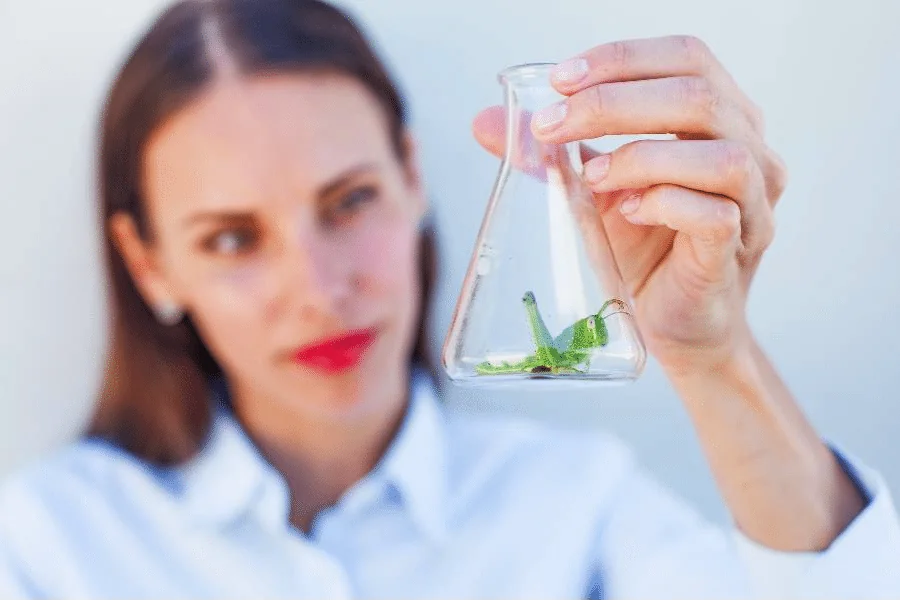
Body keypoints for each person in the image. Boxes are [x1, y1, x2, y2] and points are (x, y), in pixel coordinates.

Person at [1, 0, 897, 598]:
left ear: (412, 175)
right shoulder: (45, 546)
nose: (320, 290)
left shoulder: (574, 506)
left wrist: (714, 356)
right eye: (232, 239)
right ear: (148, 263)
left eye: (349, 202)